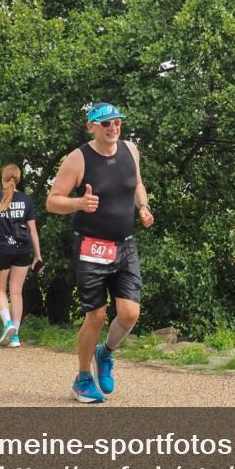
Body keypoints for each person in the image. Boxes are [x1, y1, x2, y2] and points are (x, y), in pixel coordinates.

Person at [47, 102, 154, 403]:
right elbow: (52, 201)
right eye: (105, 123)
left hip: (125, 244)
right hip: (91, 247)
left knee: (130, 313)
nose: (113, 127)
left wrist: (143, 207)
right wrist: (78, 204)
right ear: (91, 127)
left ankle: (104, 353)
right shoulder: (78, 159)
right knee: (95, 315)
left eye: (117, 122)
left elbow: (137, 185)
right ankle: (82, 379)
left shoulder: (131, 150)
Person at [0, 163, 43, 348]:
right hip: (23, 250)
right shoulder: (26, 200)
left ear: (3, 177)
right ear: (18, 178)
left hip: (1, 249)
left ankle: (7, 324)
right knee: (16, 292)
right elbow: (33, 231)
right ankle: (15, 336)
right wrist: (37, 255)